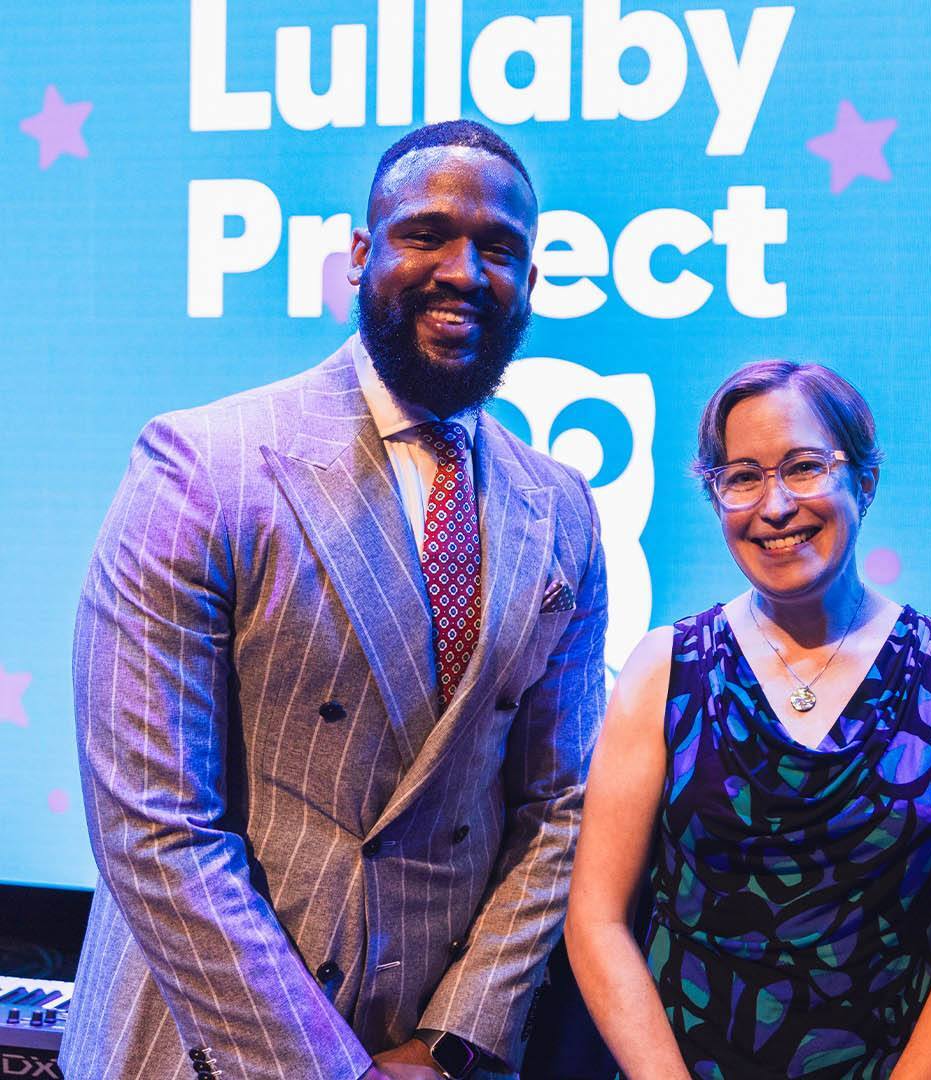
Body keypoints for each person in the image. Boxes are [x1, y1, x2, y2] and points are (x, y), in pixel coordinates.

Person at [64, 120, 607, 1080]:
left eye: (501, 248)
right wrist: (331, 1073)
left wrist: (449, 1043)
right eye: (427, 234)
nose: (464, 270)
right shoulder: (203, 466)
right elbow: (154, 826)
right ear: (360, 255)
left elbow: (557, 806)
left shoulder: (560, 507)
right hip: (204, 1048)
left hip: (427, 1053)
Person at [566, 360, 931, 1078]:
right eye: (741, 477)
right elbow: (595, 919)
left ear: (864, 482)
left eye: (804, 467)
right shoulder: (662, 670)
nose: (774, 506)